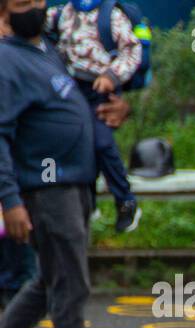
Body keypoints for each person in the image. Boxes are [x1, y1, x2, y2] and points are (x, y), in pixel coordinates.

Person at [0, 0, 128, 328]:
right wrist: (11, 199)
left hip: (73, 184)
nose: (34, 6)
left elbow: (95, 87)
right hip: (46, 189)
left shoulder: (48, 51)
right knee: (69, 286)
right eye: (22, 2)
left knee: (47, 284)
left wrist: (118, 108)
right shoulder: (6, 60)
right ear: (3, 14)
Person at [47, 0, 143, 232]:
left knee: (101, 142)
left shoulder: (111, 16)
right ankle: (88, 201)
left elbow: (131, 49)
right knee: (77, 144)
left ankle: (125, 200)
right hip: (70, 88)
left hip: (100, 89)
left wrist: (112, 74)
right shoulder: (60, 14)